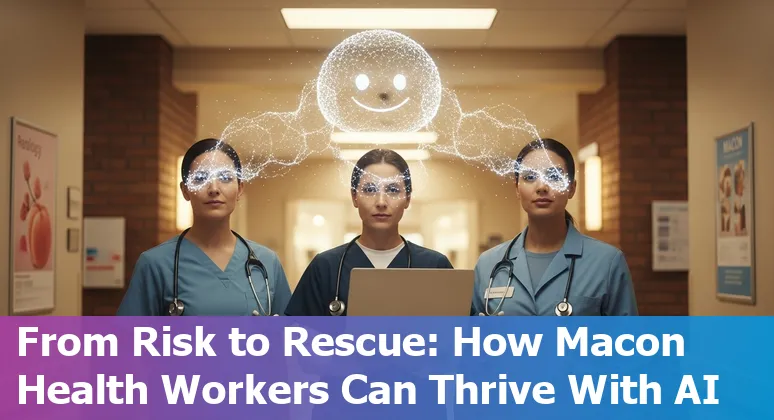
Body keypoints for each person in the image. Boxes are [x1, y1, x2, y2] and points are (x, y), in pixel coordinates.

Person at [117, 138, 292, 316]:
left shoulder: (267, 262)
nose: (214, 188)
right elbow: (127, 339)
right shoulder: (156, 264)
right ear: (185, 190)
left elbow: (293, 335)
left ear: (240, 189)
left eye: (225, 178)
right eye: (200, 178)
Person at [471, 138, 638, 316]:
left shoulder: (607, 262)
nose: (542, 187)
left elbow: (626, 341)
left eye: (554, 177)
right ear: (517, 189)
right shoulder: (488, 264)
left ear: (572, 189)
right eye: (530, 177)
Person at [285, 148, 454, 316]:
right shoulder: (326, 267)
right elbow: (298, 334)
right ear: (354, 197)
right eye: (370, 189)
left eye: (393, 190)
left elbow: (459, 334)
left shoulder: (434, 266)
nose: (381, 202)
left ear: (408, 199)